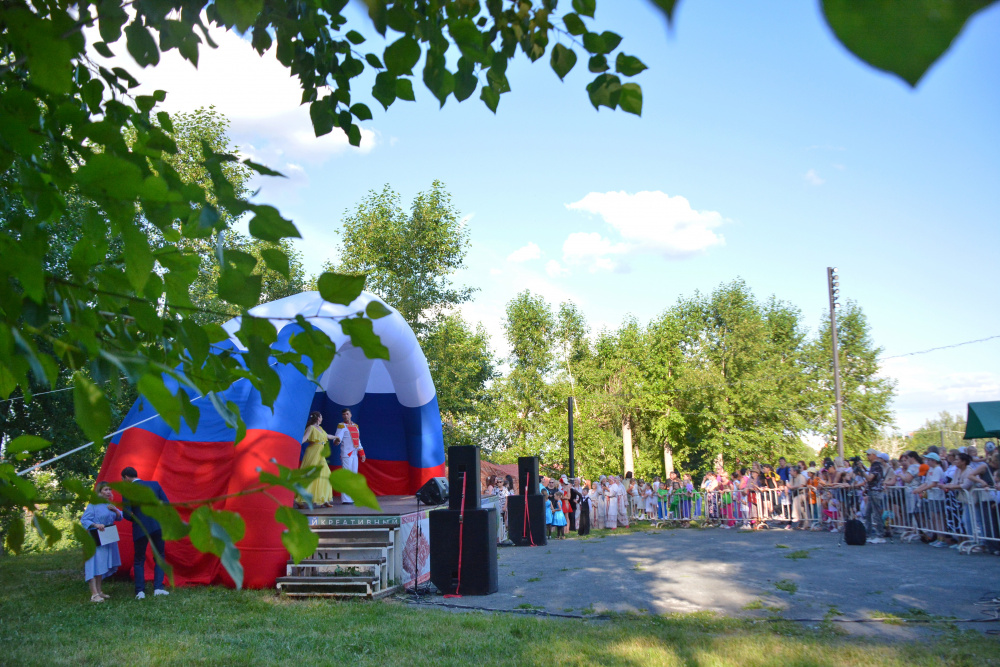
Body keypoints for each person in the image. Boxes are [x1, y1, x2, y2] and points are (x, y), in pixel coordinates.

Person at [120, 466, 170, 599]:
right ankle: (158, 587)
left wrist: (136, 518)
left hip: (140, 527)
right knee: (159, 556)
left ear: (126, 477)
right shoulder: (154, 485)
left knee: (139, 559)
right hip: (158, 526)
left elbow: (126, 513)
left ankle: (140, 591)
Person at [80, 482, 123, 603]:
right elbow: (84, 519)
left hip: (107, 537)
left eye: (110, 489)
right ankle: (94, 594)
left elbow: (120, 517)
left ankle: (99, 591)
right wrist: (96, 525)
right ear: (99, 492)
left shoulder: (109, 504)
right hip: (94, 538)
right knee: (93, 564)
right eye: (106, 489)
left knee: (101, 564)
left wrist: (116, 510)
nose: (109, 492)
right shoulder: (93, 505)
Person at [299, 411, 335, 507]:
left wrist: (336, 437)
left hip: (320, 453)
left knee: (326, 474)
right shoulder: (311, 428)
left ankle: (324, 499)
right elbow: (304, 438)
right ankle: (300, 500)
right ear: (318, 418)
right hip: (313, 453)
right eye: (321, 416)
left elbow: (327, 436)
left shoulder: (321, 429)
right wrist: (296, 442)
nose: (322, 418)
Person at [333, 408, 366, 504]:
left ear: (350, 415)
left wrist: (362, 453)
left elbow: (357, 440)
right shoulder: (341, 426)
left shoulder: (356, 426)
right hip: (346, 454)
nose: (345, 416)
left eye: (347, 414)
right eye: (344, 414)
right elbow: (337, 437)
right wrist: (336, 441)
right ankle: (346, 499)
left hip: (354, 454)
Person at [860, 449, 887, 543]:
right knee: (868, 513)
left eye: (869, 455)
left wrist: (861, 471)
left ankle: (880, 535)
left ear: (874, 455)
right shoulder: (873, 466)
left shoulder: (877, 465)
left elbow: (870, 478)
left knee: (876, 514)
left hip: (876, 491)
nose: (867, 457)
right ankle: (868, 534)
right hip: (871, 491)